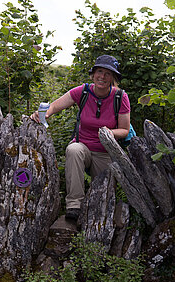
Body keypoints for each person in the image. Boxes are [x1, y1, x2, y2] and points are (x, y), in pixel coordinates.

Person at [30, 55, 130, 220]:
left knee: (102, 198)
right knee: (73, 149)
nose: (102, 77)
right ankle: (74, 206)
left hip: (105, 152)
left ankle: (95, 213)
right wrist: (44, 113)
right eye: (99, 71)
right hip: (82, 146)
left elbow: (124, 130)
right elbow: (54, 105)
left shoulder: (120, 97)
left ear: (113, 77)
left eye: (107, 73)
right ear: (93, 74)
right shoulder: (83, 91)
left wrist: (109, 132)